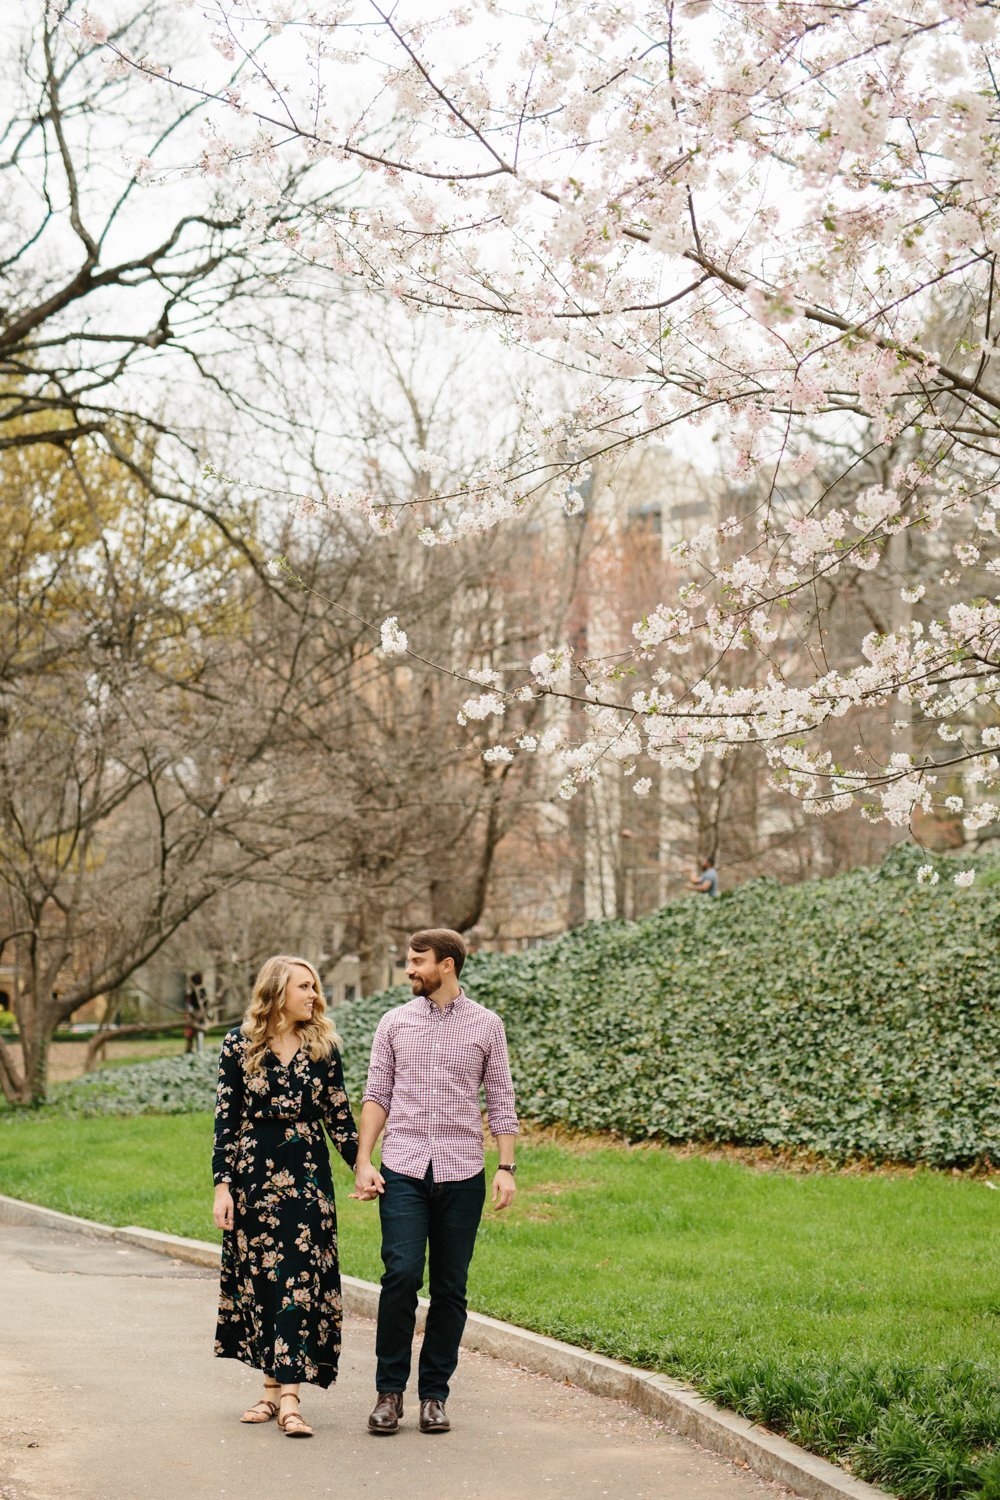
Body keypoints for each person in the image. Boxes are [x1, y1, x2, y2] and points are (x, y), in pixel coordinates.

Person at [352, 927, 518, 1437]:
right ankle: (388, 1392)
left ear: (446, 964)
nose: (410, 969)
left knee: (450, 1288)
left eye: (418, 961)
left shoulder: (487, 1025)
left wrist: (506, 1169)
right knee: (401, 1275)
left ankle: (434, 1396)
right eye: (409, 960)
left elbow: (502, 1101)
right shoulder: (394, 1023)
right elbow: (377, 1093)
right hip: (403, 1167)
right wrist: (364, 1159)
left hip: (463, 1170)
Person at [212, 954, 358, 1438]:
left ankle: (290, 1398)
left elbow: (339, 1117)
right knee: (266, 1283)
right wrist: (222, 1186)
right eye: (305, 986)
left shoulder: (322, 1047)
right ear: (278, 990)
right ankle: (270, 1391)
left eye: (315, 987)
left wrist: (364, 1166)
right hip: (253, 1179)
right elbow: (226, 1122)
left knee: (299, 1279)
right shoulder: (239, 1044)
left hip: (307, 1179)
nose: (314, 995)